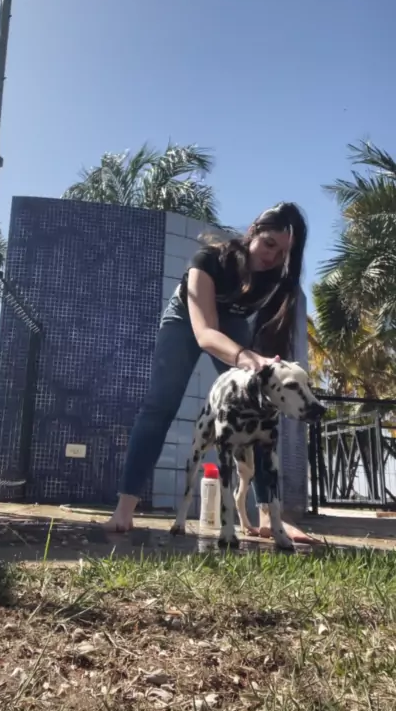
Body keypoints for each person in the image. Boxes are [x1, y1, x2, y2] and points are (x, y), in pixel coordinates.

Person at [104, 201, 317, 543]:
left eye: (283, 253)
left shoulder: (277, 279)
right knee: (160, 405)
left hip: (232, 323)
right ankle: (125, 508)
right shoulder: (209, 261)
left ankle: (268, 516)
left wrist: (266, 368)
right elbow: (205, 333)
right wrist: (245, 356)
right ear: (253, 232)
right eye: (269, 244)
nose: (273, 257)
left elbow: (267, 340)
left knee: (263, 410)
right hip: (187, 319)